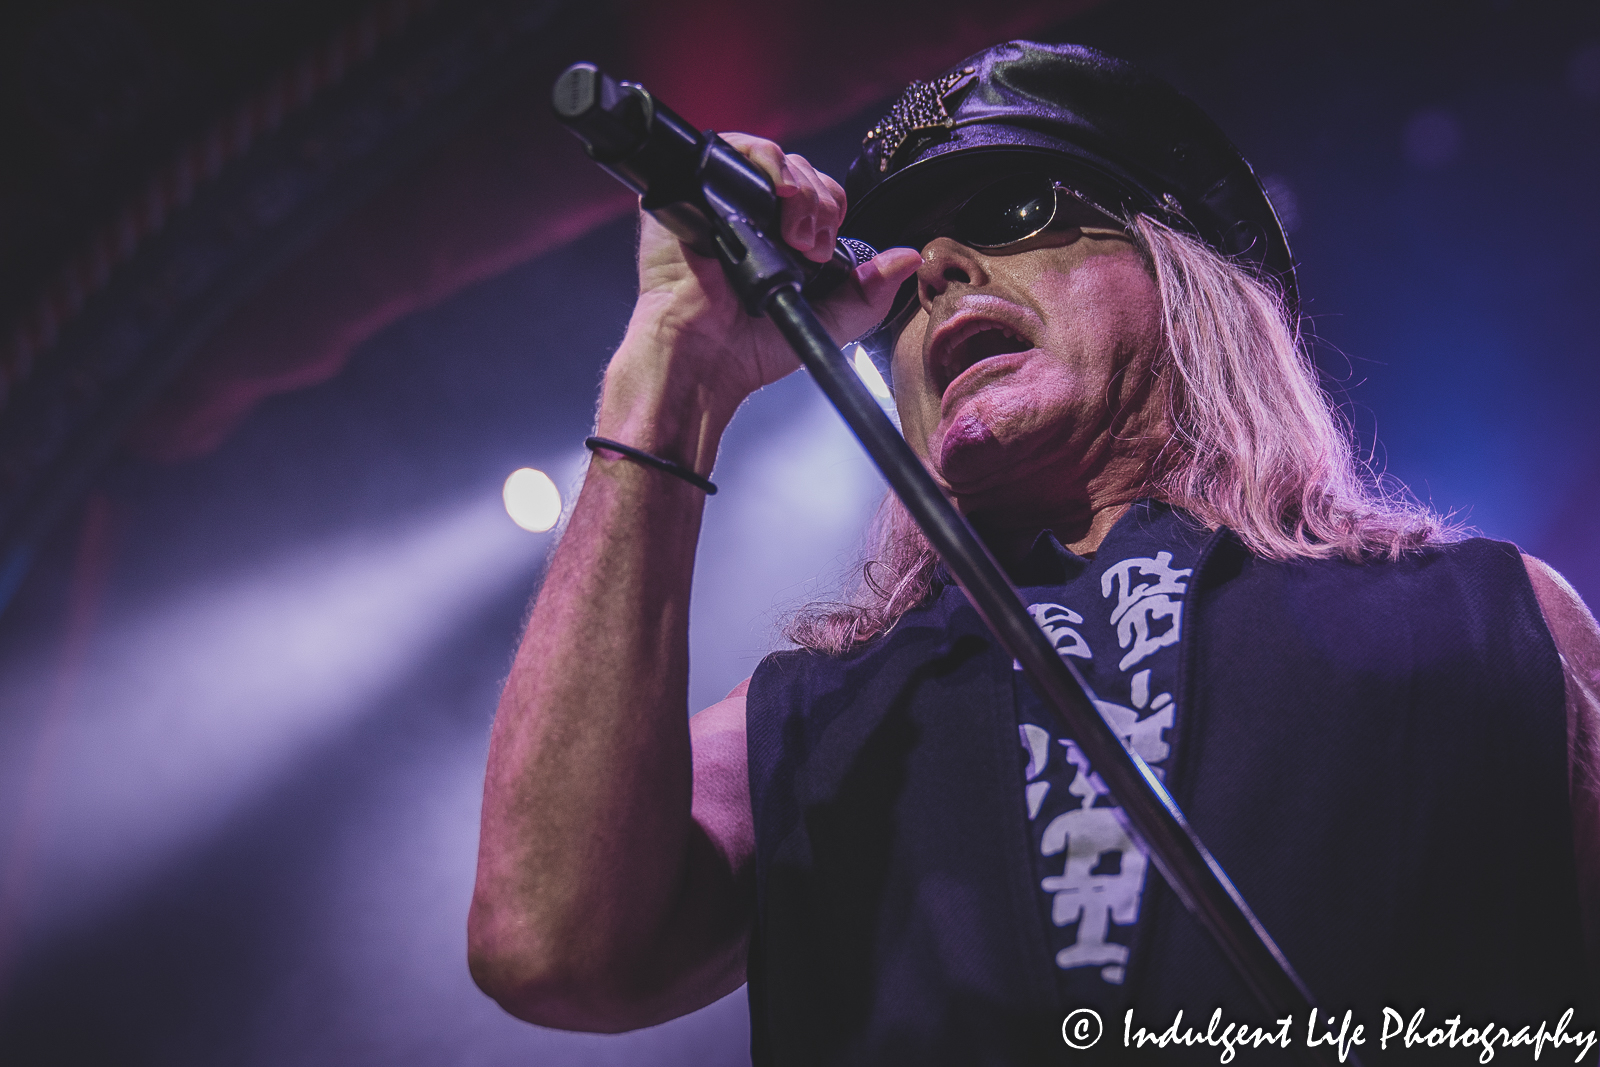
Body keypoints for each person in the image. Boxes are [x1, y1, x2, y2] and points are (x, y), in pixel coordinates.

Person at [468, 41, 1600, 1063]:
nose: (943, 268)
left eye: (1009, 207)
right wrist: (674, 366)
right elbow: (548, 940)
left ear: (1180, 270)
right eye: (906, 278)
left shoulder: (1492, 617)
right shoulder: (819, 715)